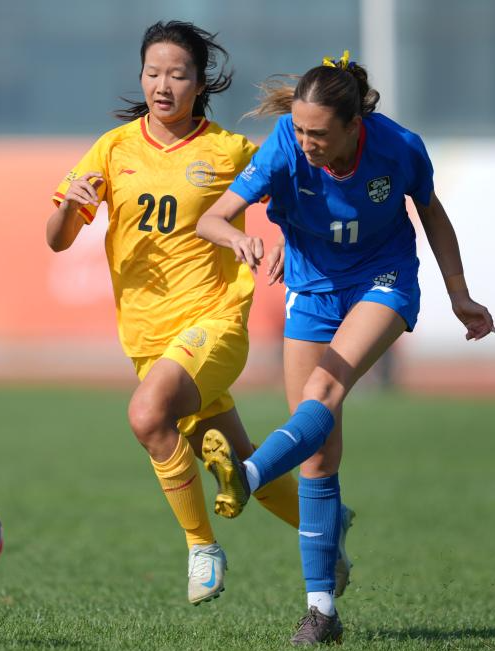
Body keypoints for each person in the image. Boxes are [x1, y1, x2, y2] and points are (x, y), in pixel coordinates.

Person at [44, 21, 354, 606]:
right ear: (141, 77)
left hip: (215, 323)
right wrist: (70, 209)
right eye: (153, 73)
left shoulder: (228, 150)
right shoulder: (113, 149)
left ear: (200, 83)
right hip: (147, 340)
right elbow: (57, 240)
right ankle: (327, 527)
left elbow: (301, 192)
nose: (163, 85)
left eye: (178, 74)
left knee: (146, 415)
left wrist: (292, 240)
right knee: (238, 463)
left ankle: (202, 546)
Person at [196, 51, 495, 644]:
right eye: (299, 129)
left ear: (355, 126)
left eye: (319, 134)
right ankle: (322, 613)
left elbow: (432, 214)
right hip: (311, 290)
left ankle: (247, 475)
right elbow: (213, 219)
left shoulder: (399, 148)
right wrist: (238, 240)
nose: (306, 142)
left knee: (324, 389)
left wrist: (458, 293)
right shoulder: (284, 147)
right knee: (317, 457)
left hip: (383, 280)